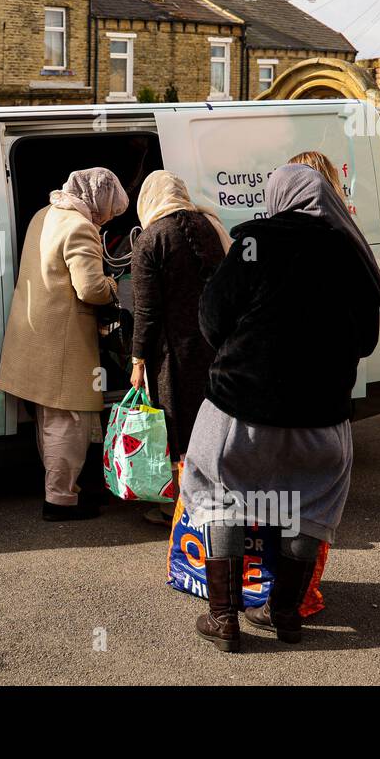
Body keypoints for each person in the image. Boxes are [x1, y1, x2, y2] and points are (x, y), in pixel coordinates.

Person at [182, 163, 380, 651]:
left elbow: (212, 319)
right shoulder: (349, 252)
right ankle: (285, 614)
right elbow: (366, 340)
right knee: (312, 506)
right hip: (321, 416)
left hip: (241, 409)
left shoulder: (253, 243)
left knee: (222, 496)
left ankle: (224, 618)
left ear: (278, 197)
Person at [0, 167, 129, 521]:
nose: (106, 219)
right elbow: (91, 289)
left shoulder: (45, 214)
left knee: (48, 418)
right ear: (96, 200)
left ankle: (65, 491)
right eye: (108, 210)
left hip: (35, 331)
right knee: (68, 421)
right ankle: (60, 501)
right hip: (63, 340)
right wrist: (116, 285)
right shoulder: (79, 227)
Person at [128, 171, 231, 526]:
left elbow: (147, 312)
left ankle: (178, 508)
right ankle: (216, 498)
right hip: (216, 346)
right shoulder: (212, 226)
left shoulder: (150, 239)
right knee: (211, 422)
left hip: (173, 354)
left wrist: (138, 359)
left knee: (175, 427)